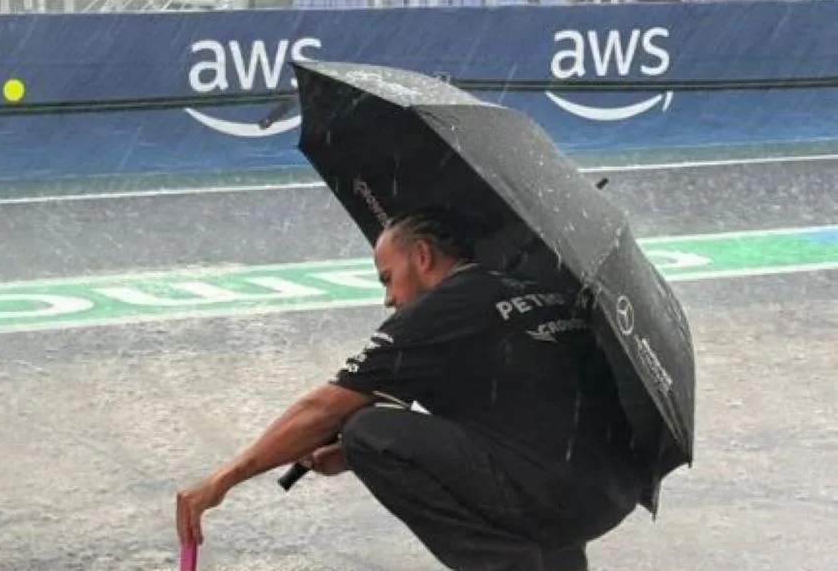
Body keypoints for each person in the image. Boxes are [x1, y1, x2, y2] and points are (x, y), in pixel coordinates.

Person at [175, 209, 646, 571]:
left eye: (388, 278)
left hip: (552, 491)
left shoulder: (442, 308)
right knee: (540, 449)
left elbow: (323, 409)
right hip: (608, 492)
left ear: (422, 256)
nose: (388, 299)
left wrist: (220, 481)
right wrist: (347, 457)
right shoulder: (526, 289)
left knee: (366, 427)